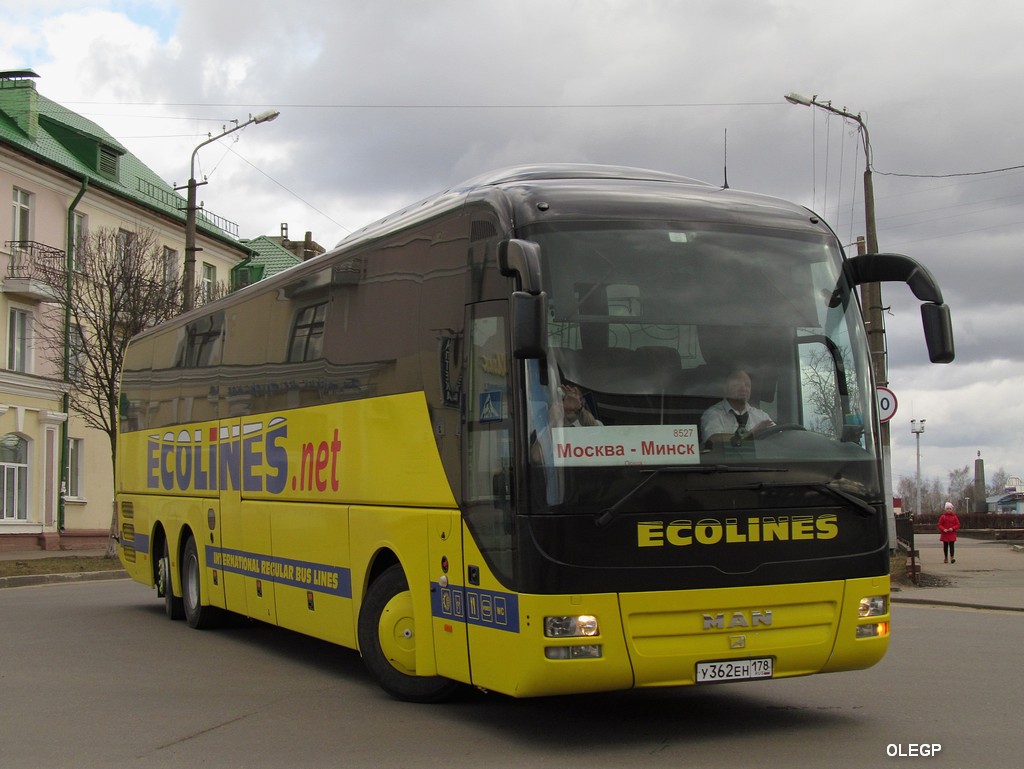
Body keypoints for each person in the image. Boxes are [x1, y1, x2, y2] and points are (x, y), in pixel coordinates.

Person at [701, 369, 775, 448]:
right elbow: (713, 439)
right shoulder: (713, 414)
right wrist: (749, 434)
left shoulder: (761, 416)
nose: (743, 389)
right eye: (737, 385)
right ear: (725, 388)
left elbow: (778, 437)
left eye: (747, 385)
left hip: (760, 460)